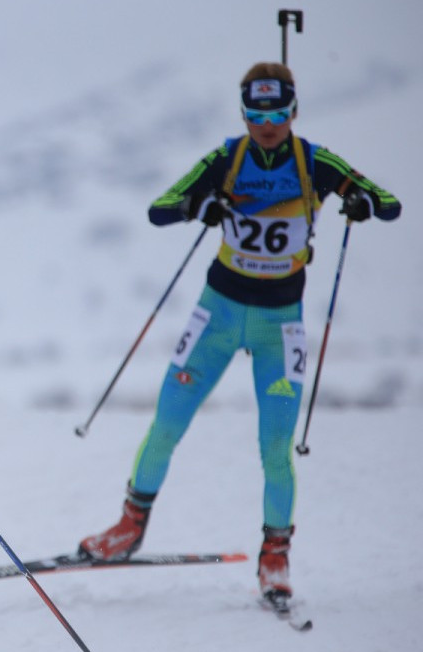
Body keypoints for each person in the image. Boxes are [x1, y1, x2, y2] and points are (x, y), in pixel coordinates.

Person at [77, 62, 401, 608]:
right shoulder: (226, 159)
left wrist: (360, 201)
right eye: (255, 113)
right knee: (166, 423)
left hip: (281, 325)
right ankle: (129, 527)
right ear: (243, 112)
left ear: (293, 111)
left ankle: (275, 557)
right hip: (217, 316)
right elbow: (159, 209)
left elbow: (388, 202)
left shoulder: (314, 163)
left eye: (276, 113)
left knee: (275, 447)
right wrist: (197, 205)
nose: (267, 124)